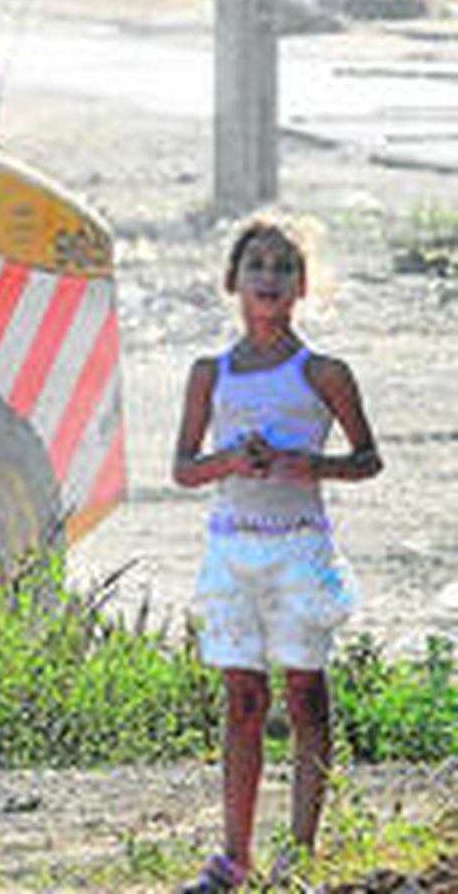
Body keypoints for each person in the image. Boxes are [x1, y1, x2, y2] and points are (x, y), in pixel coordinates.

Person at [173, 218, 383, 892]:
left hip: (300, 548)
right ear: (234, 281)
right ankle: (234, 857)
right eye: (257, 265)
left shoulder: (322, 372)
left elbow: (367, 459)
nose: (270, 277)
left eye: (284, 267)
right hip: (230, 549)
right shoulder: (211, 373)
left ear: (302, 286)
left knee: (305, 692)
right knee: (242, 697)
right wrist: (230, 460)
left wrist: (306, 464)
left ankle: (300, 854)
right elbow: (183, 467)